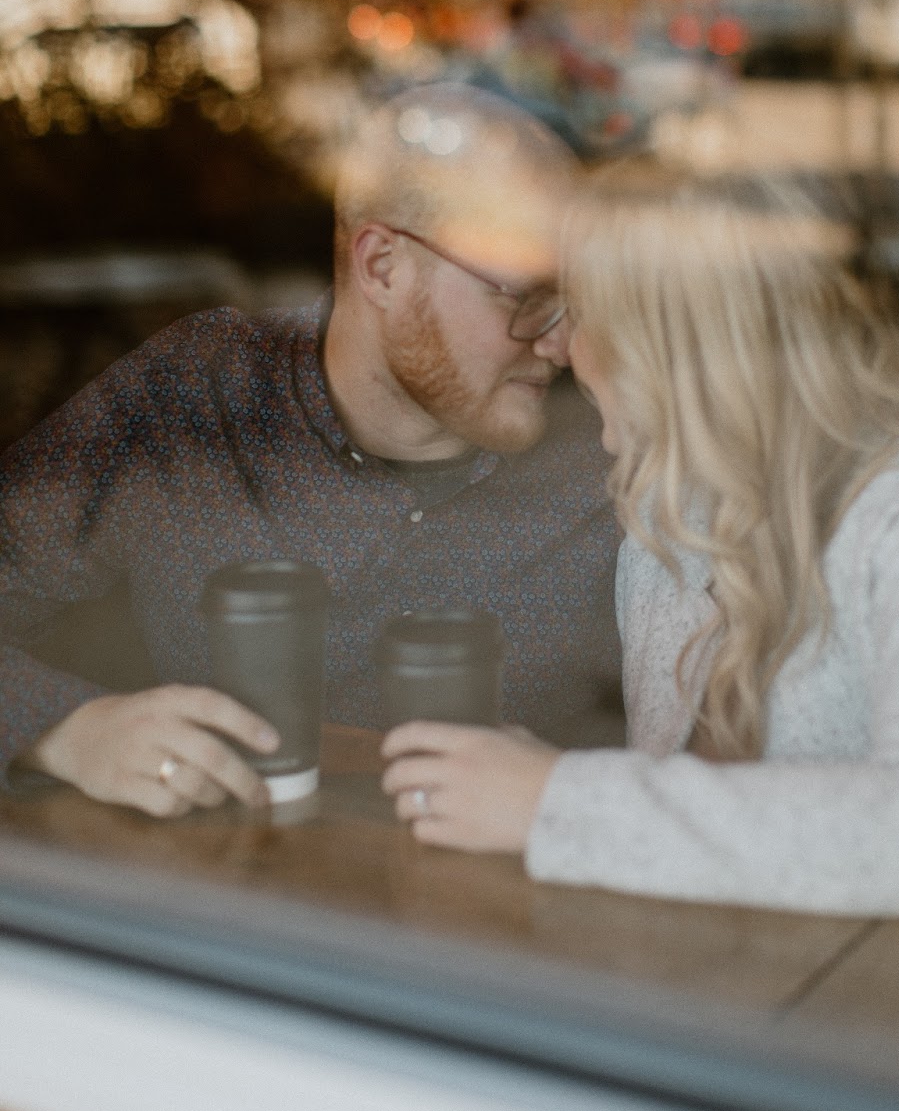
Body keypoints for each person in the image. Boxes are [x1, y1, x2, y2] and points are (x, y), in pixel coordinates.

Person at [0, 85, 621, 813]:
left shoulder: (618, 452)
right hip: (214, 879)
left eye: (575, 298)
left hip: (506, 887)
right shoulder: (195, 400)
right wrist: (70, 730)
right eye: (525, 297)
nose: (561, 343)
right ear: (383, 266)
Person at [381, 162, 899, 916]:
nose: (555, 346)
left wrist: (557, 802)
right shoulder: (671, 518)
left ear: (672, 341)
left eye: (577, 309)